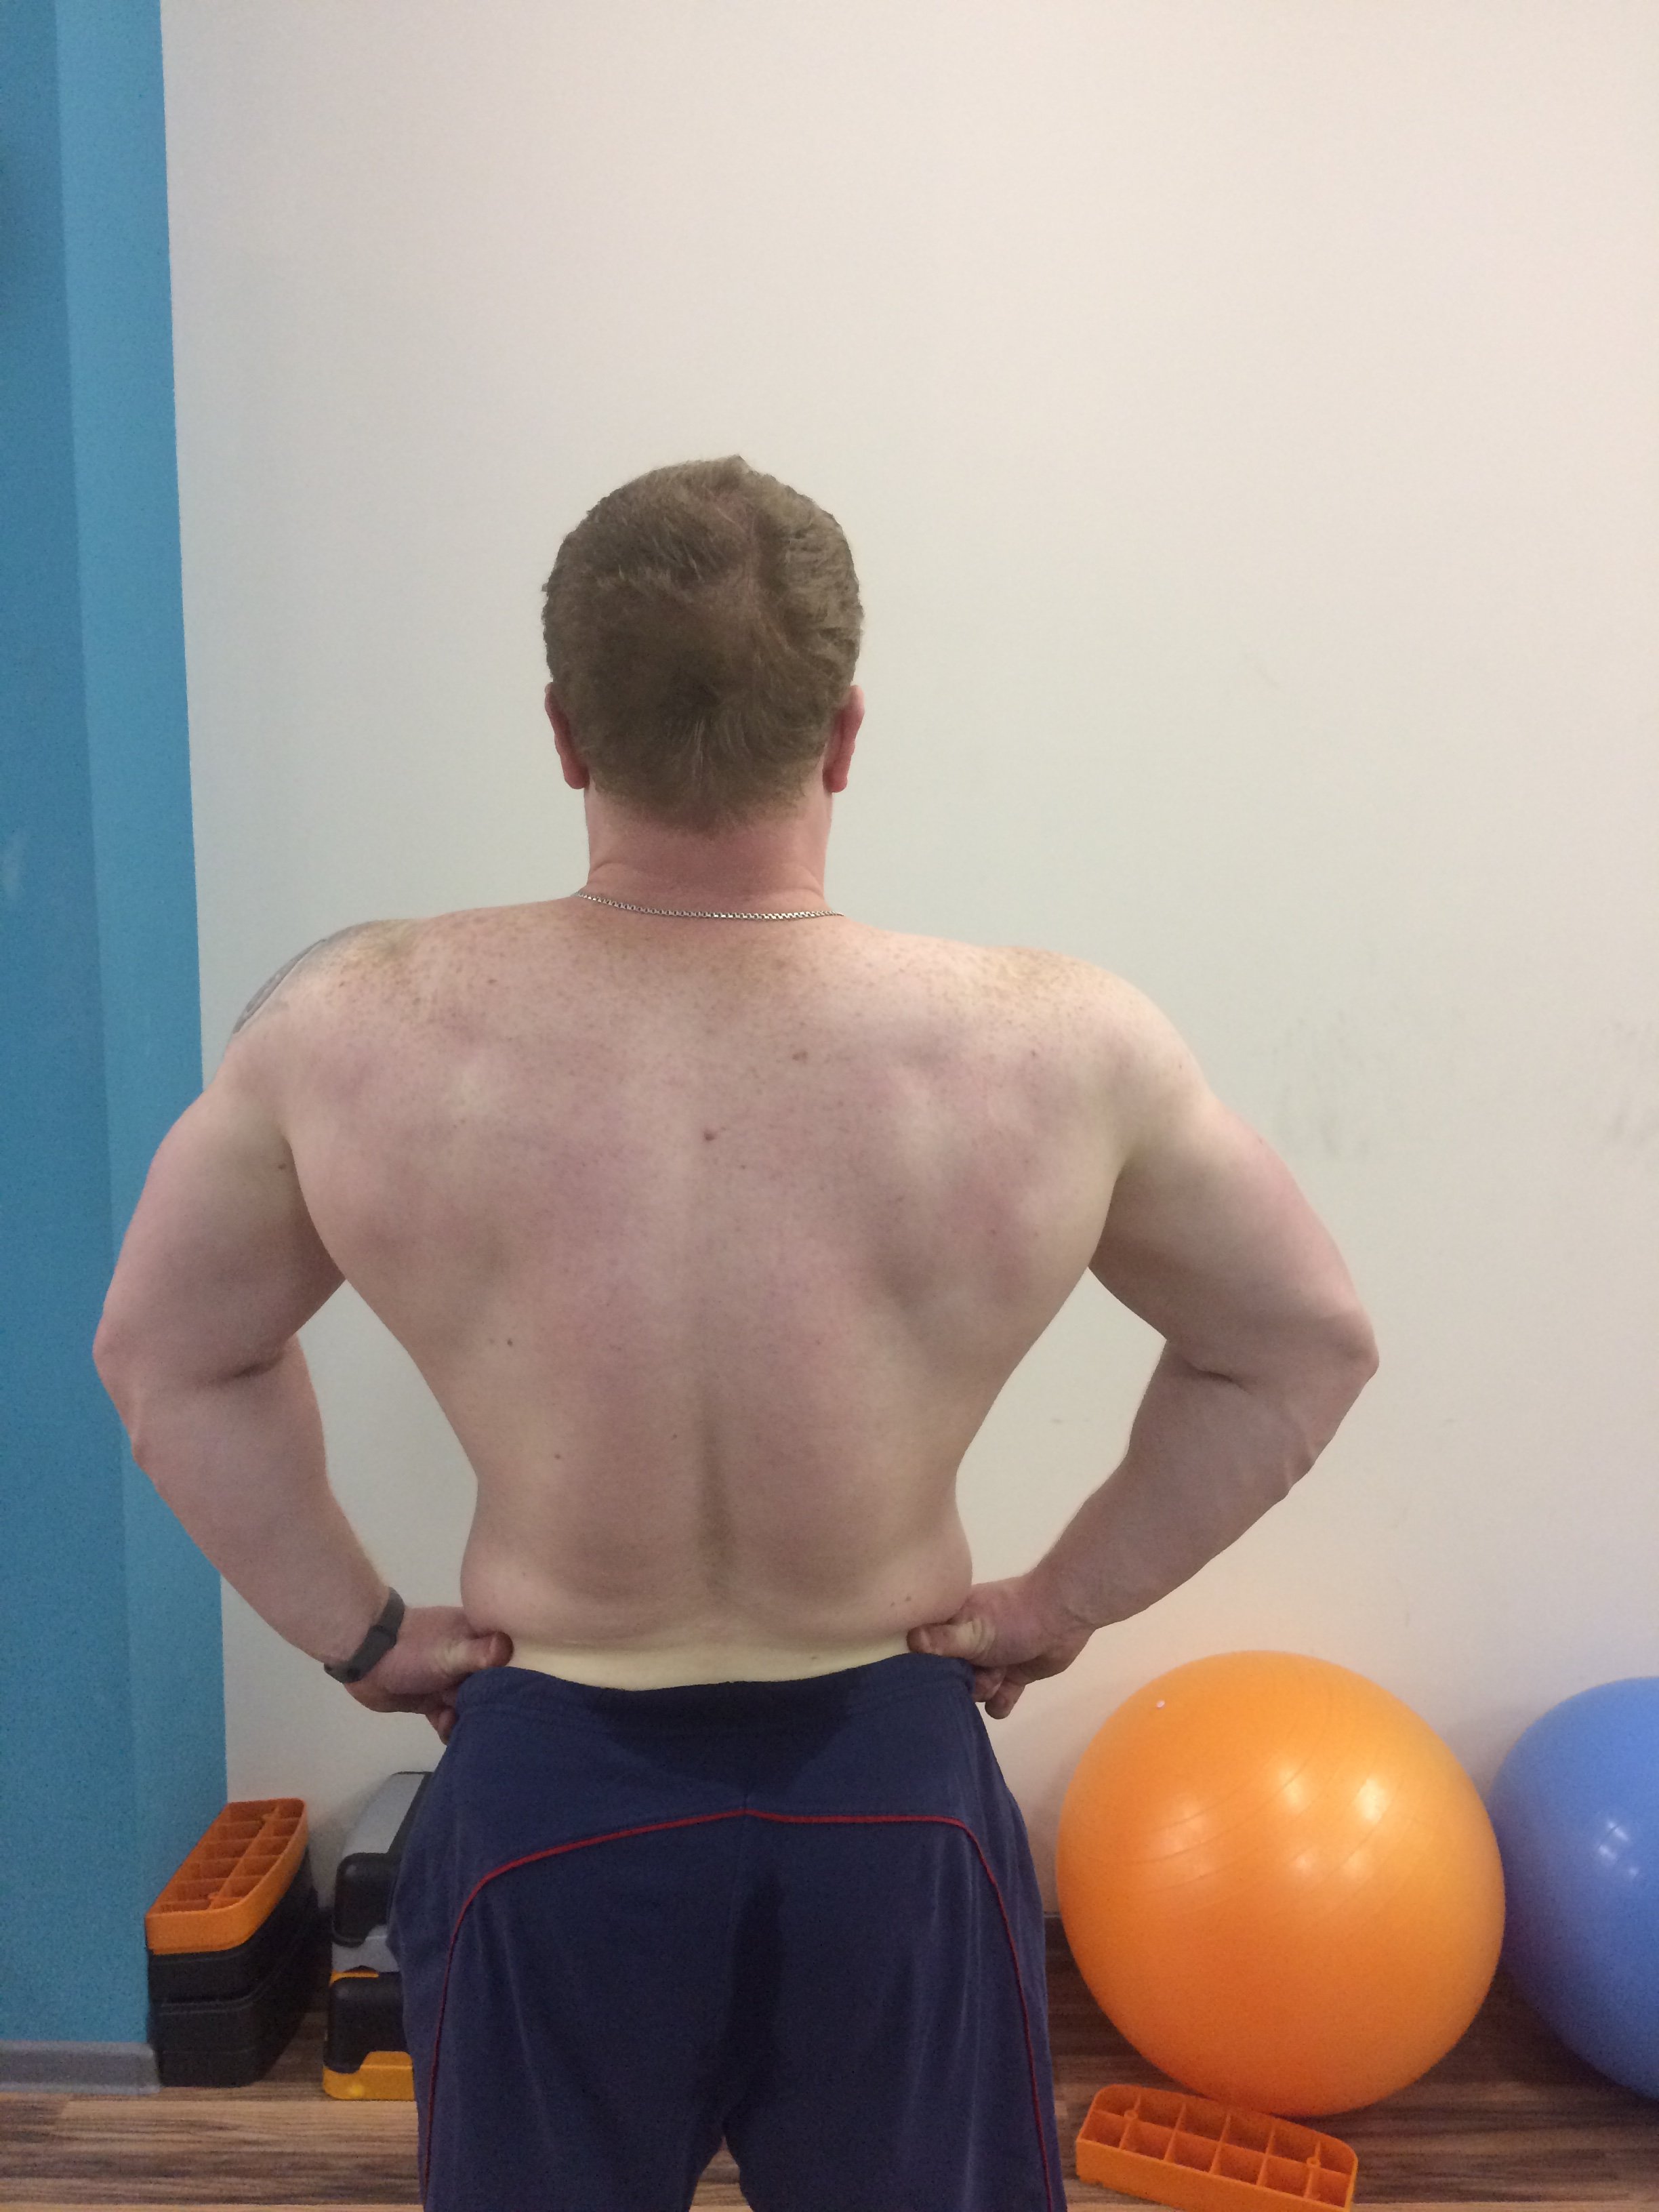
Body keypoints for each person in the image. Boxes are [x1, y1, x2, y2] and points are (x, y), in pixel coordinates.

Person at [96, 457, 1377, 2212]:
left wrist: (365, 1633)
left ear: (566, 733)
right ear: (843, 735)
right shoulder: (1057, 1047)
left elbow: (169, 1354)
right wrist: (1058, 1602)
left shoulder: (352, 1030)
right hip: (889, 1796)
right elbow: (1299, 1344)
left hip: (553, 1794)